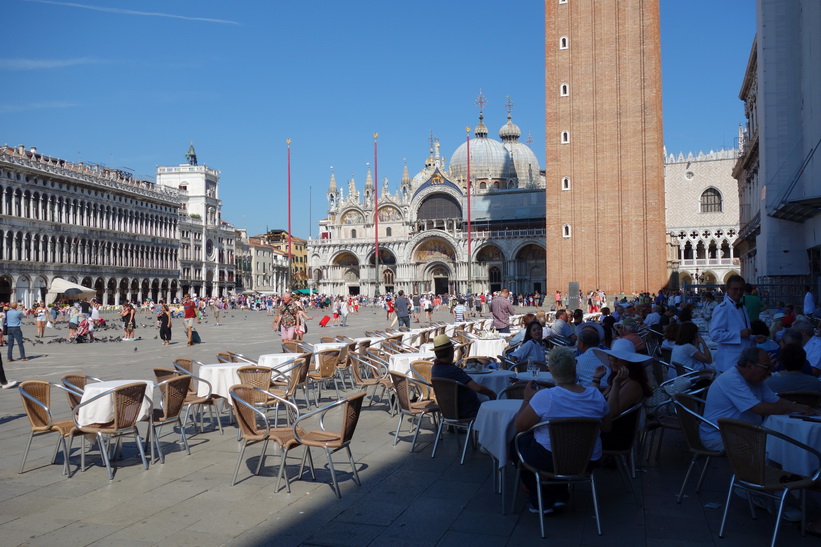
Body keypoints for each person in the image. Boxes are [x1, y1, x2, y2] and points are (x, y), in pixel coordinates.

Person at [513, 346, 611, 513]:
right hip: (587, 460)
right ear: (574, 368)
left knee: (517, 443)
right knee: (542, 446)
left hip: (551, 460)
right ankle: (559, 494)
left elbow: (519, 426)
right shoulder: (596, 396)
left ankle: (542, 499)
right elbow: (607, 427)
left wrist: (527, 399)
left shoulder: (546, 397)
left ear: (551, 370)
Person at [700, 347, 819, 452]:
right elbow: (758, 408)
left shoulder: (756, 380)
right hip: (719, 437)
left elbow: (777, 401)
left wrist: (801, 407)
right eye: (766, 368)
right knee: (779, 447)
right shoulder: (732, 379)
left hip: (741, 433)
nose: (769, 372)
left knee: (786, 443)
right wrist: (794, 407)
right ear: (749, 366)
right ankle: (771, 476)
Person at [430, 334, 496, 418]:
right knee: (492, 403)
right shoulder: (453, 371)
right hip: (467, 410)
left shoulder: (435, 368)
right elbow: (477, 388)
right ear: (451, 351)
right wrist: (491, 392)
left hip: (448, 410)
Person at [709, 275, 763, 372]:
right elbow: (714, 335)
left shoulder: (743, 308)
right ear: (727, 289)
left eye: (741, 289)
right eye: (735, 289)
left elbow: (742, 333)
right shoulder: (722, 308)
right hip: (729, 363)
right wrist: (739, 334)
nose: (738, 292)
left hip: (744, 361)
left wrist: (753, 338)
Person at [592, 343, 653, 416]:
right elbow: (596, 402)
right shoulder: (619, 379)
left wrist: (616, 384)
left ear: (630, 362)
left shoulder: (632, 385)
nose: (613, 363)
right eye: (611, 358)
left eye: (618, 359)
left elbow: (610, 413)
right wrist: (596, 379)